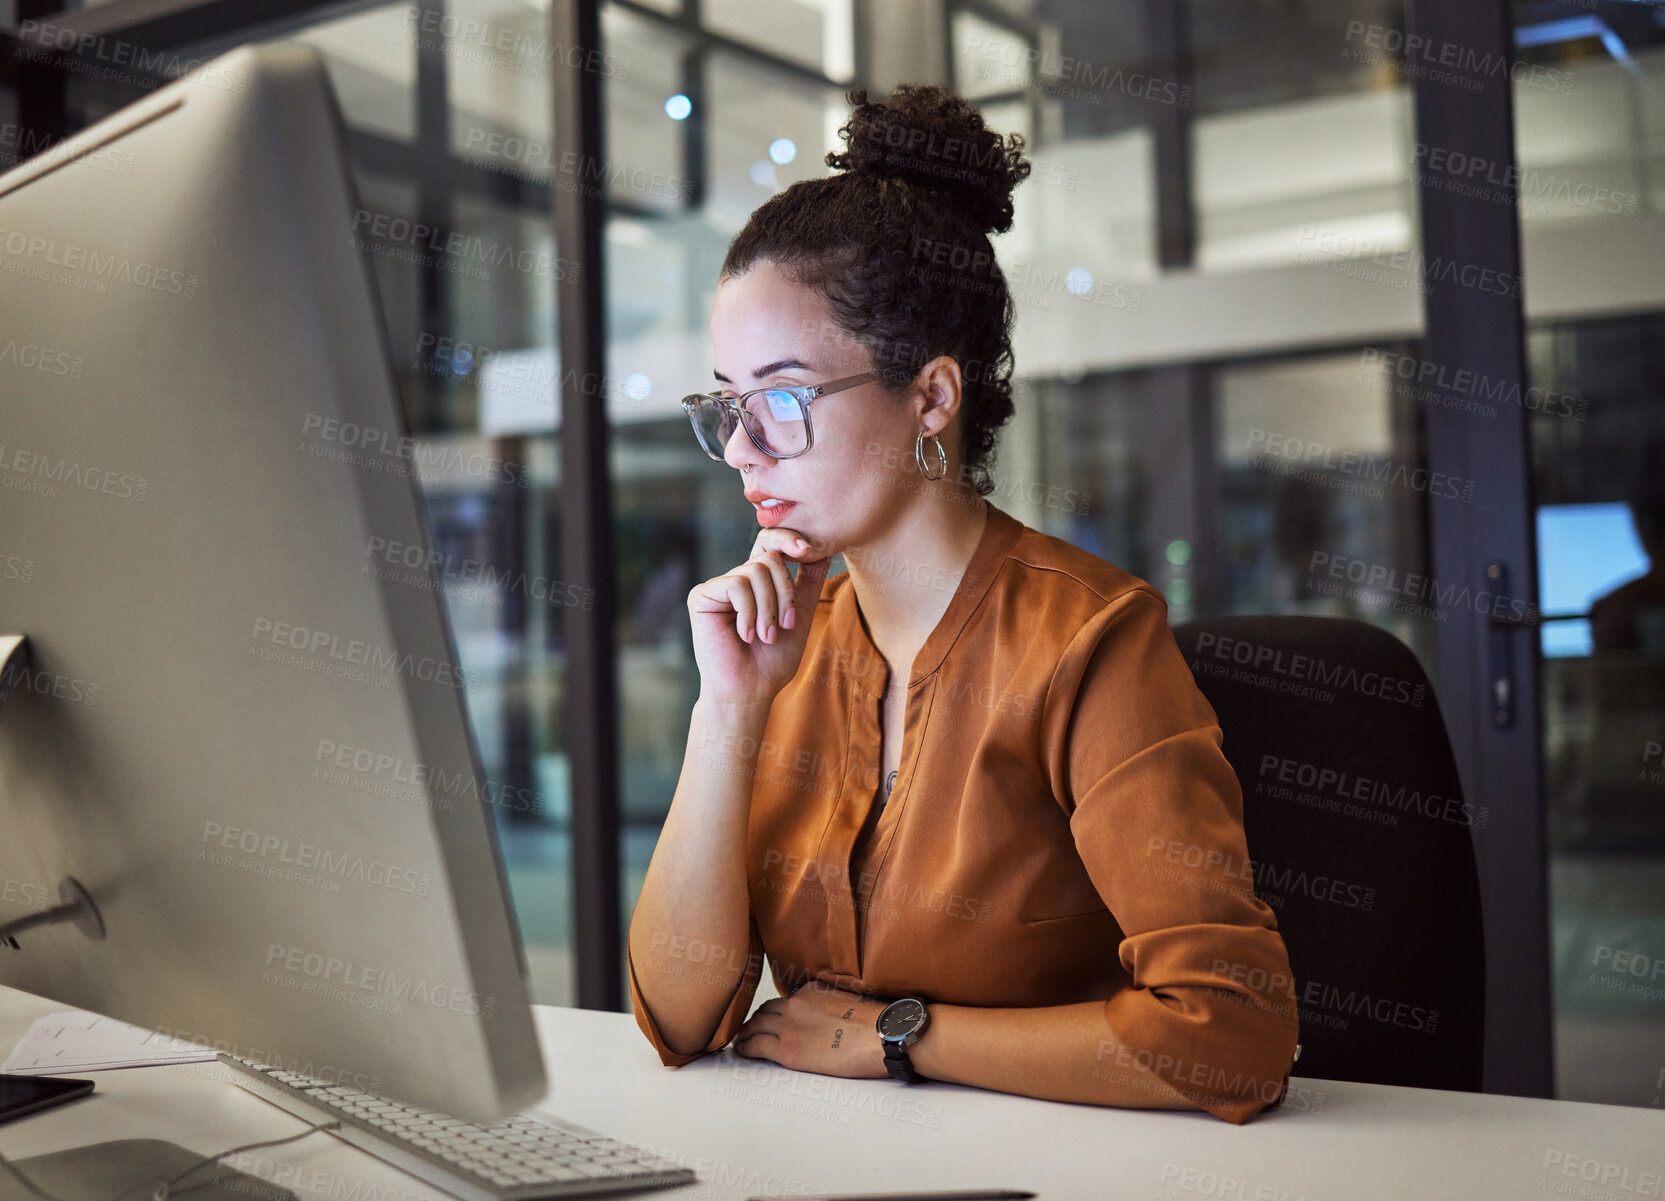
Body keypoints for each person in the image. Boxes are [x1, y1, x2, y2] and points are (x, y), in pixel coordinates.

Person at [625, 83, 1300, 1124]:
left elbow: (1233, 1034)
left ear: (932, 398)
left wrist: (899, 1036)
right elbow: (678, 1017)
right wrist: (730, 711)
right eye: (728, 404)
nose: (746, 450)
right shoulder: (789, 645)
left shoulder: (1091, 643)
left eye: (786, 399)